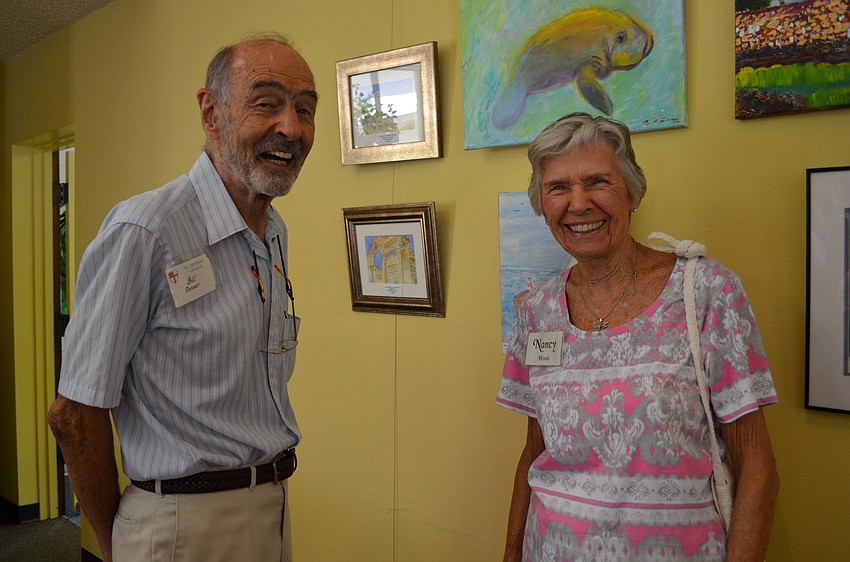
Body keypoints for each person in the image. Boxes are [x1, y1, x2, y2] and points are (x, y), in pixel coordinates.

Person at [47, 32, 317, 562]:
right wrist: (118, 541)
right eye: (267, 104)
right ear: (210, 112)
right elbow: (73, 414)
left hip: (273, 507)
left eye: (305, 110)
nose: (291, 127)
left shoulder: (273, 230)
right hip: (179, 528)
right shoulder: (145, 231)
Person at [497, 113, 779, 561]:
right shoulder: (536, 310)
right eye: (558, 188)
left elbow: (757, 464)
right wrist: (511, 553)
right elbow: (535, 450)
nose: (579, 203)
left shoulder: (707, 291)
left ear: (634, 192)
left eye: (597, 182)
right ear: (541, 204)